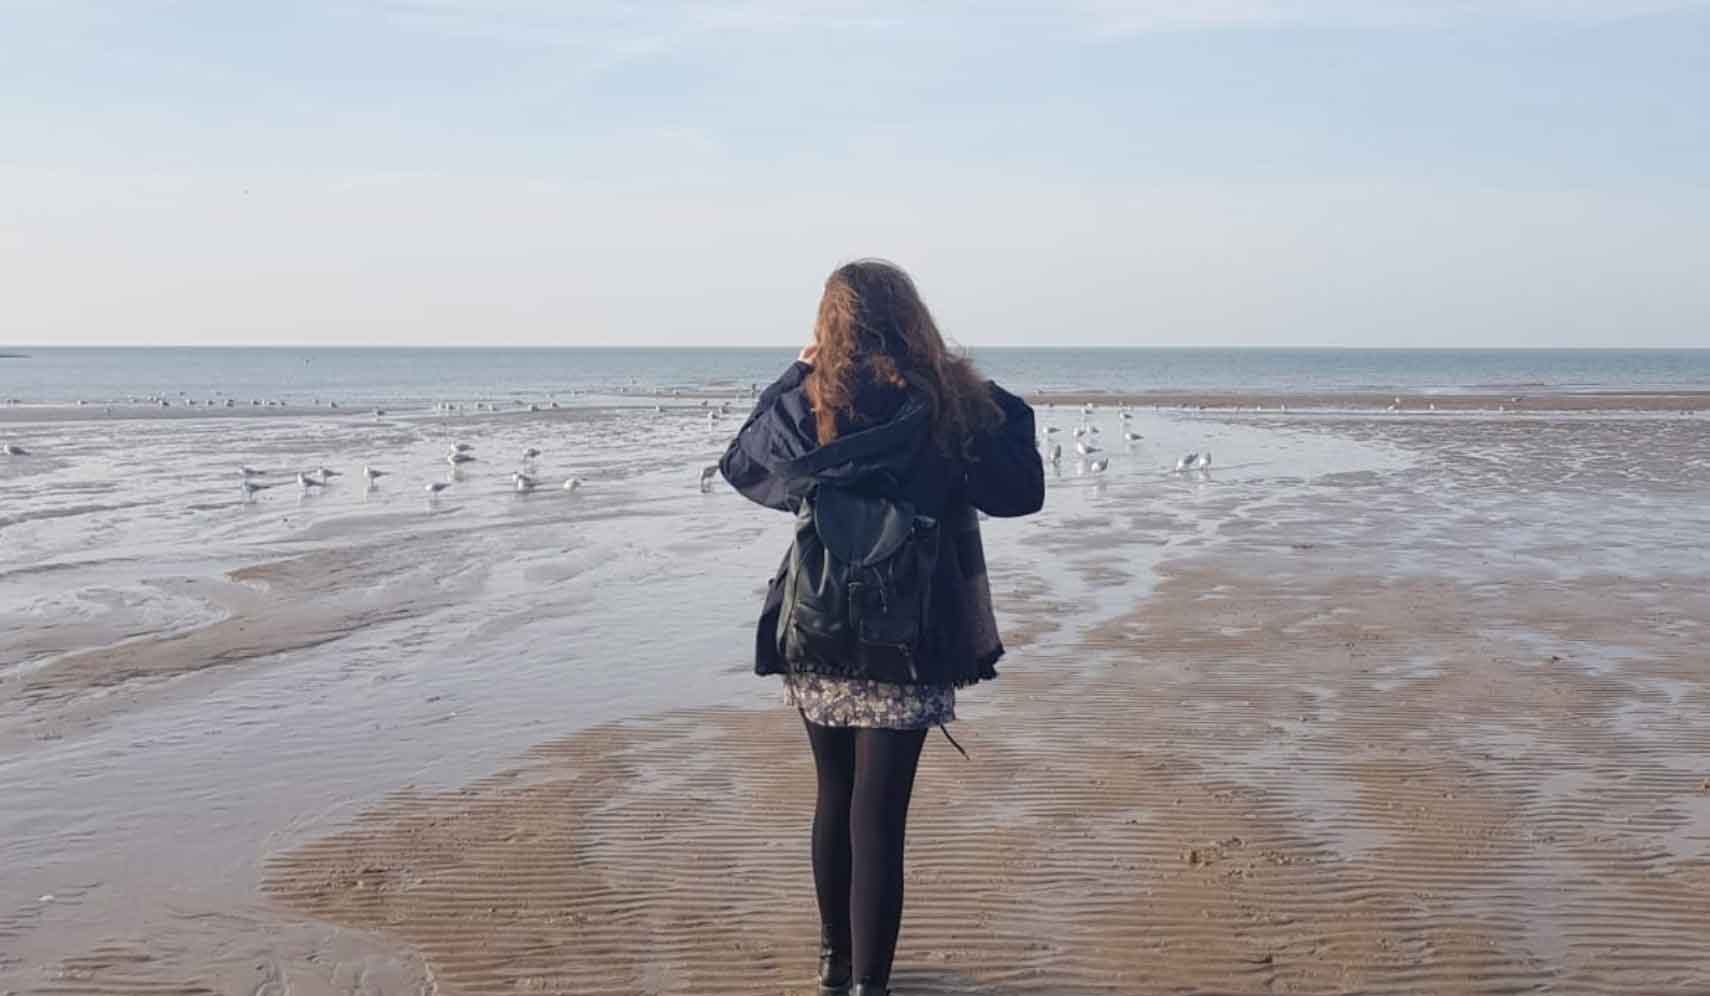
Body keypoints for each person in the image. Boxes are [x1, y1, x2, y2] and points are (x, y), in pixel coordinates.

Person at [720, 259, 1045, 995]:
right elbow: (1022, 490)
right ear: (913, 321)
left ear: (827, 325)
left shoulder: (811, 399)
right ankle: (869, 985)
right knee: (879, 817)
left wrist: (789, 374)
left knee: (834, 796)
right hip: (911, 635)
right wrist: (959, 380)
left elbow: (743, 465)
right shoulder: (946, 404)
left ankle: (835, 971)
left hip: (819, 625)